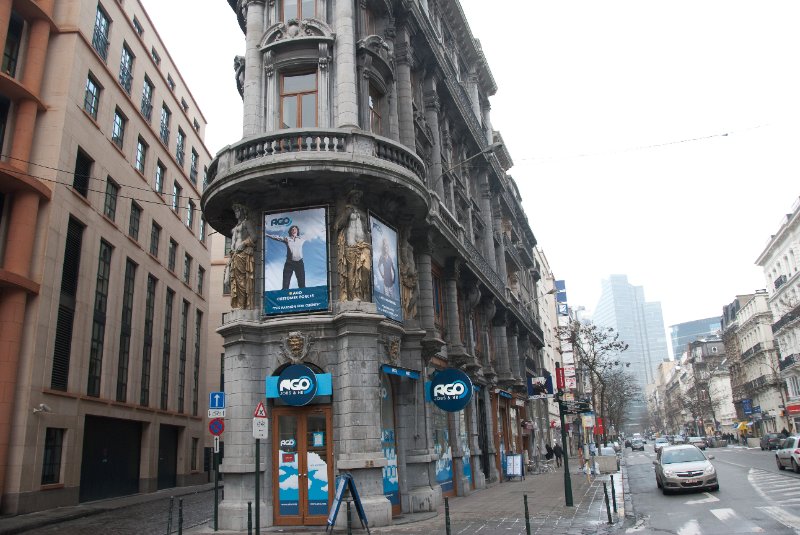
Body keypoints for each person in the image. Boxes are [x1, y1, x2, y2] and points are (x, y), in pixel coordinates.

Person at [224, 203, 256, 309]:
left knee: (242, 280)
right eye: (235, 211)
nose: (236, 213)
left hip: (242, 254)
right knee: (235, 281)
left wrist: (244, 243)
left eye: (238, 211)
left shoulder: (246, 223)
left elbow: (254, 237)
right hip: (234, 255)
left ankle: (242, 305)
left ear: (242, 212)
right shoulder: (236, 227)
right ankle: (239, 304)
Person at [266, 225, 306, 289]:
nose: (294, 230)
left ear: (297, 231)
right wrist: (267, 235)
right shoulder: (287, 239)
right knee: (285, 283)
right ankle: (284, 292)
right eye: (292, 229)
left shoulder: (301, 239)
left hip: (299, 263)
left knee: (302, 283)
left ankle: (303, 293)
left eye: (295, 229)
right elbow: (277, 237)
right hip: (289, 262)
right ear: (290, 231)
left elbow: (311, 234)